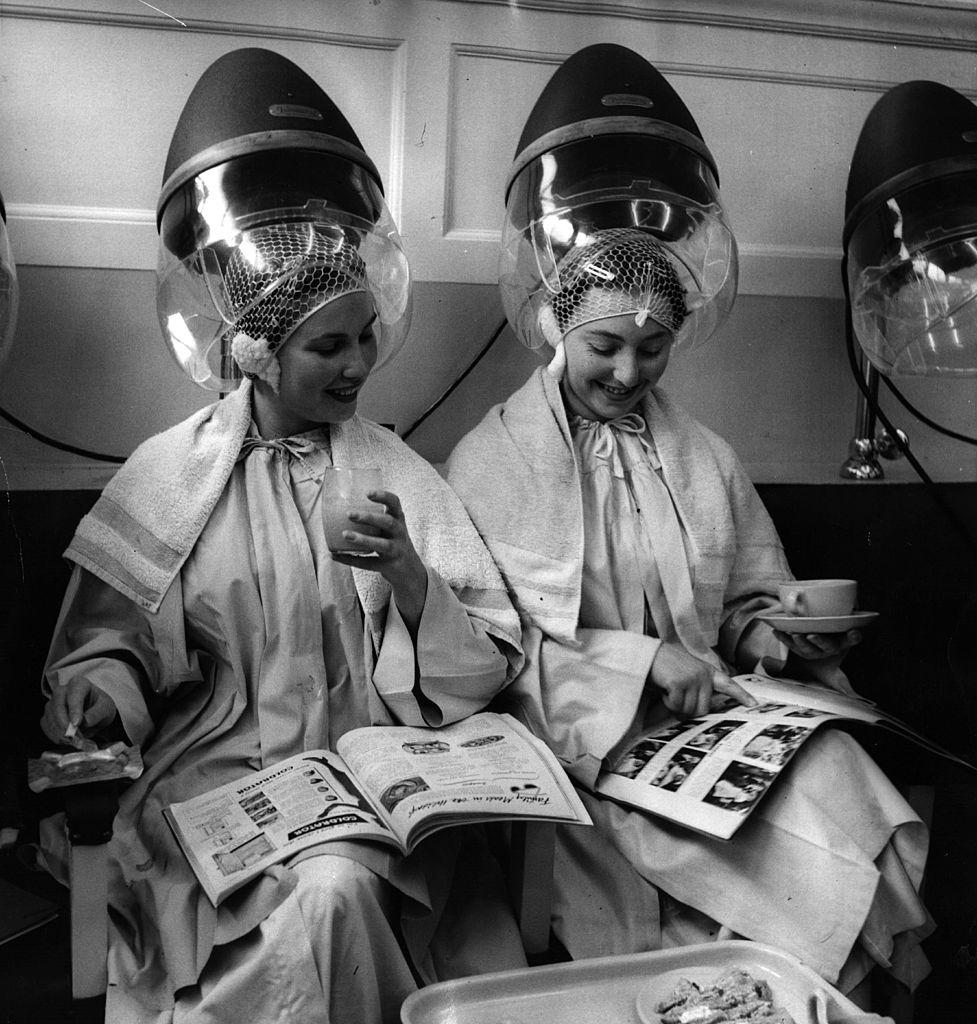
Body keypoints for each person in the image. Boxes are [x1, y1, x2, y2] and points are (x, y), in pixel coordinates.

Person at [37, 49, 526, 1024]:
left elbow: (489, 658)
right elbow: (111, 649)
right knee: (327, 890)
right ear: (258, 348)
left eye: (364, 336)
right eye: (328, 345)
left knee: (341, 881)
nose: (358, 366)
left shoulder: (393, 470)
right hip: (218, 799)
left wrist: (408, 574)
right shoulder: (172, 477)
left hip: (369, 788)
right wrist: (103, 700)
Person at [446, 44, 932, 1006]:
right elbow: (483, 660)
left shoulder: (703, 455)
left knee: (846, 778)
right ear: (554, 327)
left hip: (718, 724)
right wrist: (636, 664)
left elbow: (748, 602)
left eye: (652, 349)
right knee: (713, 897)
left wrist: (778, 634)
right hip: (586, 744)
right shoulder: (487, 462)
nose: (627, 375)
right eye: (603, 347)